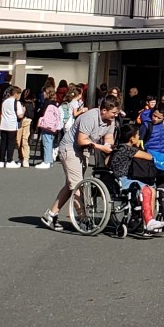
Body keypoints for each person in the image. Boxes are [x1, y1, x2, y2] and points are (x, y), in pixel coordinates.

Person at [42, 95, 118, 229]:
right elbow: (81, 140)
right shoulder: (90, 117)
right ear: (104, 110)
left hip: (85, 150)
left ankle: (50, 214)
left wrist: (109, 147)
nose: (115, 115)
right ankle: (83, 218)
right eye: (113, 112)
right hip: (70, 148)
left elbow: (109, 137)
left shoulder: (110, 121)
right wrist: (101, 147)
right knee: (77, 184)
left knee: (70, 184)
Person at [34, 88, 62, 167]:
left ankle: (46, 161)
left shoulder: (47, 103)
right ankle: (49, 160)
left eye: (44, 92)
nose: (43, 94)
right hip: (53, 125)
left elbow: (42, 113)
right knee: (50, 142)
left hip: (46, 125)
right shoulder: (55, 103)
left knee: (46, 143)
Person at [0, 84, 24, 168]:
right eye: (18, 94)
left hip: (3, 124)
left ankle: (1, 161)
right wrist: (23, 111)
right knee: (11, 143)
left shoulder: (4, 101)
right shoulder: (17, 103)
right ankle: (9, 160)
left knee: (3, 143)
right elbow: (20, 115)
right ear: (15, 93)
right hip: (12, 125)